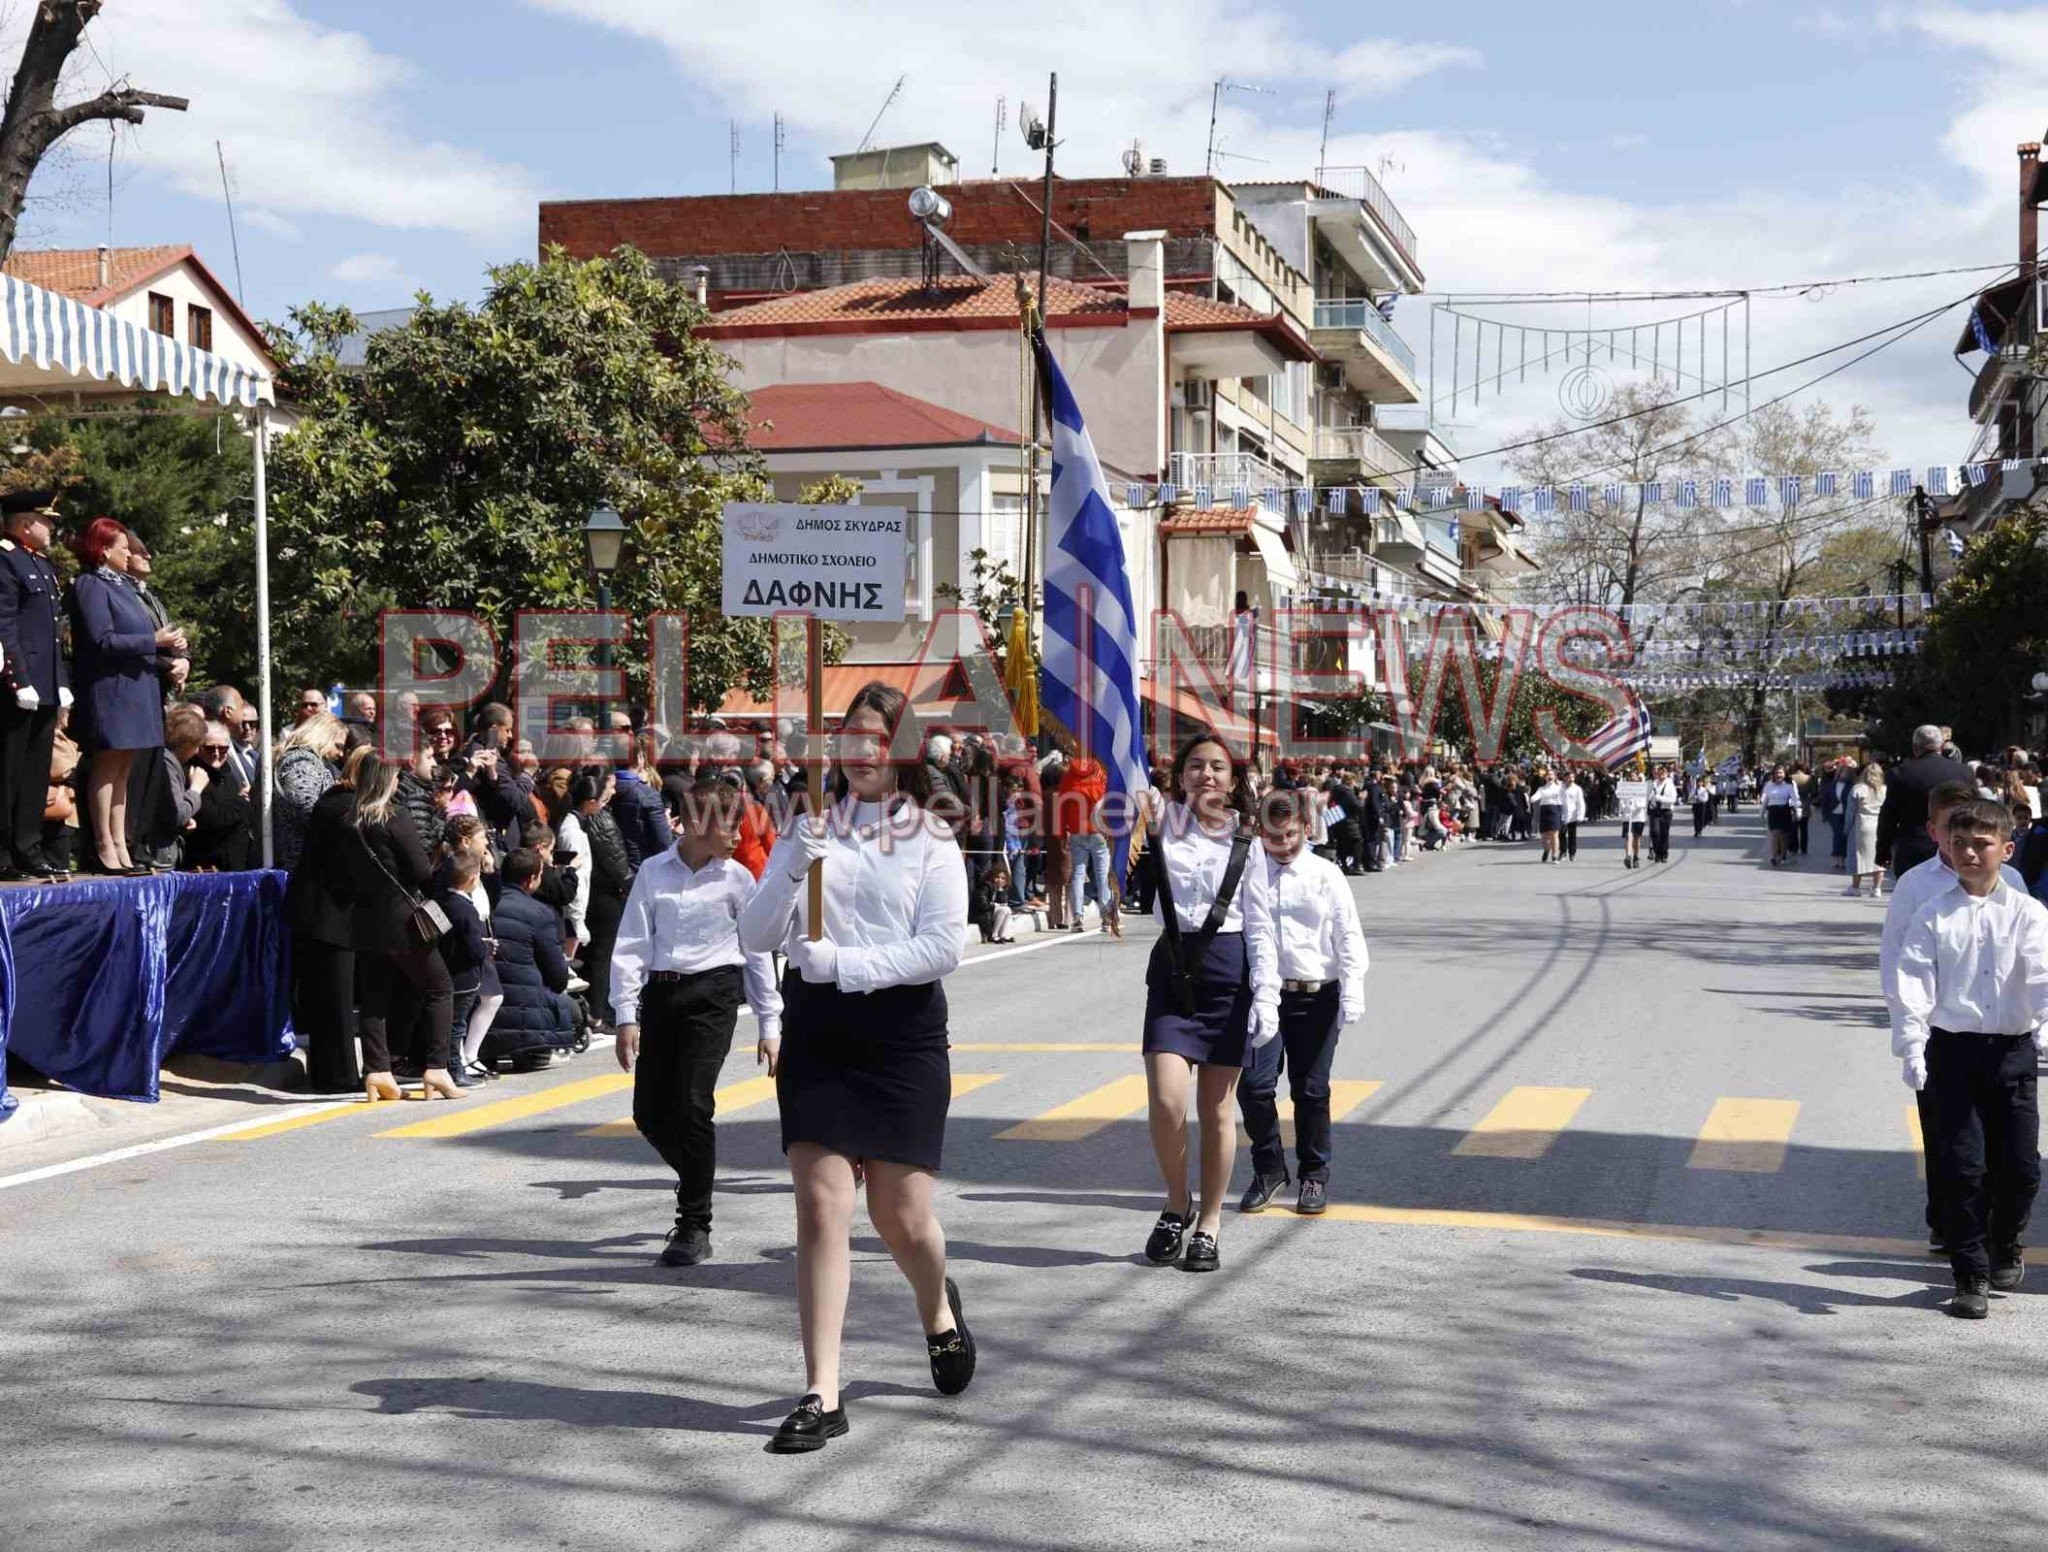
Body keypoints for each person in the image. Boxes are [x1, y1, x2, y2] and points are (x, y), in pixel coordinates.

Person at [737, 681, 974, 1453]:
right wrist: (787, 871)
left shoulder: (930, 836)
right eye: (849, 736)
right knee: (820, 1207)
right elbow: (757, 933)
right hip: (820, 1034)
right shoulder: (808, 827)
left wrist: (845, 963)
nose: (861, 751)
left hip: (901, 1036)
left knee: (900, 1219)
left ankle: (937, 1308)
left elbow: (943, 948)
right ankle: (822, 1391)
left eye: (877, 737)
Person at [610, 775, 783, 1269]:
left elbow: (757, 954)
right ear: (697, 825)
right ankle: (698, 1179)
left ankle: (693, 1224)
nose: (737, 837)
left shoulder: (738, 878)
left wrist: (770, 1024)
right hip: (662, 994)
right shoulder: (653, 872)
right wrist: (626, 1015)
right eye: (729, 827)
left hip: (714, 995)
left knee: (692, 1104)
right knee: (649, 1114)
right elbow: (632, 943)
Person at [1894, 799, 2048, 1320]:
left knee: (2021, 1168)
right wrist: (1912, 1044)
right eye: (1958, 842)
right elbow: (1914, 981)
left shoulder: (2028, 913)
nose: (1967, 852)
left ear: (2006, 850)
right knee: (1964, 1169)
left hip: (2012, 1052)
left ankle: (2005, 1242)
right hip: (1953, 1052)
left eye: (1980, 844)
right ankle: (1970, 1274)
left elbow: (2043, 976)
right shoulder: (1932, 914)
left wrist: (2046, 1029)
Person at [1136, 734, 1279, 1275]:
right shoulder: (1160, 824)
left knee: (1216, 1109)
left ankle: (1210, 1223)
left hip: (1228, 975)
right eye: (1195, 765)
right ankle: (1178, 1201)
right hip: (1173, 972)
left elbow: (1262, 925)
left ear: (1234, 779)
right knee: (1166, 1101)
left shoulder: (1249, 841)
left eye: (1218, 767)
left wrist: (1266, 994)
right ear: (1182, 776)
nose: (1207, 775)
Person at [1878, 780, 2027, 1256]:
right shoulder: (1917, 886)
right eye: (1950, 832)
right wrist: (1908, 1029)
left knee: (2005, 1150)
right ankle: (1948, 1222)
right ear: (1933, 830)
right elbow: (1897, 959)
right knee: (1948, 1143)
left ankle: (1990, 1231)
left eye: (1974, 834)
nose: (1961, 843)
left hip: (2001, 1034)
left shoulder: (2013, 886)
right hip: (1942, 1031)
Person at [1235, 792, 1367, 1217]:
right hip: (1266, 997)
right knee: (1254, 1087)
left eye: (1291, 834)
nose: (1285, 844)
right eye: (1275, 837)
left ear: (1305, 829)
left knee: (1310, 1091)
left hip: (1318, 997)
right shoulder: (1251, 876)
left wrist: (1352, 988)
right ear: (1261, 833)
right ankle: (1270, 1167)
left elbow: (1347, 933)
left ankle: (1315, 1173)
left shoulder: (1326, 874)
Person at [339, 752, 462, 1103]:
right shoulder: (396, 816)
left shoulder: (348, 821)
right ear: (385, 780)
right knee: (440, 988)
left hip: (364, 920)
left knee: (374, 998)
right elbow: (422, 871)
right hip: (403, 920)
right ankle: (437, 1068)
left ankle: (377, 1072)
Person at [67, 519, 184, 875]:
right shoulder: (90, 585)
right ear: (103, 550)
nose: (129, 553)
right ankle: (104, 843)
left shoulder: (126, 588)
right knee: (106, 766)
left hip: (137, 688)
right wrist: (155, 641)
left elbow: (139, 635)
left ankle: (121, 841)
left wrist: (169, 652)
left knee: (123, 770)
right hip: (111, 690)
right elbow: (102, 639)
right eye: (123, 548)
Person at [284, 746, 369, 1092]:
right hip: (330, 913)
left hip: (318, 910)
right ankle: (339, 1077)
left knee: (327, 997)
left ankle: (329, 1074)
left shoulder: (332, 801)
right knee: (335, 996)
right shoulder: (346, 807)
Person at [0, 491, 73, 882]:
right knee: (8, 772)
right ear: (26, 523)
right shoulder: (6, 560)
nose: (52, 528)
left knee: (34, 774)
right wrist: (18, 680)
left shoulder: (42, 565)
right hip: (18, 687)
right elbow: (5, 624)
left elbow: (53, 635)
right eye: (47, 520)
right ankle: (3, 852)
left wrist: (60, 682)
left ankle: (28, 848)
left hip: (44, 685)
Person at [489, 846, 579, 1068]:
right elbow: (557, 976)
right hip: (526, 1014)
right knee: (573, 1010)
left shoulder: (485, 904)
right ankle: (536, 1051)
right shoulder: (539, 913)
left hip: (484, 1009)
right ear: (531, 880)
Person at [1877, 725, 1972, 881]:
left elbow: (1889, 815)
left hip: (1913, 849)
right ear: (1941, 746)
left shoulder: (1900, 774)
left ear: (1915, 748)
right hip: (1955, 847)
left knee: (1914, 900)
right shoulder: (1963, 773)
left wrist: (1883, 851)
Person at [273, 712, 346, 871]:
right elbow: (306, 807)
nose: (340, 754)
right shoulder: (301, 761)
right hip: (297, 860)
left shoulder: (307, 761)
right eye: (338, 746)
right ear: (323, 737)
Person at [181, 719, 255, 871]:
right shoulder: (193, 774)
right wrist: (242, 802)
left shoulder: (228, 773)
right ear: (199, 748)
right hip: (206, 868)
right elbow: (213, 818)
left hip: (236, 864)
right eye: (210, 749)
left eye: (222, 749)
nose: (216, 754)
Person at [1057, 753, 1113, 935]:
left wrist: (1061, 831)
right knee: (1102, 875)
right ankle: (1106, 917)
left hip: (1075, 830)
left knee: (1078, 874)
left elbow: (1061, 806)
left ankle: (1078, 918)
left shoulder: (1068, 777)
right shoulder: (1100, 775)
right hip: (1098, 830)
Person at [1846, 762, 1886, 898]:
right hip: (1879, 824)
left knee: (1858, 856)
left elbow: (1850, 811)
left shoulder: (1858, 789)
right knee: (1878, 857)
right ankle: (1877, 888)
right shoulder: (1884, 790)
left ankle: (1855, 887)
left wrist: (1847, 828)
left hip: (1861, 824)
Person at [1761, 764, 1802, 868]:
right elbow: (1765, 798)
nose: (1779, 775)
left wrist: (1797, 810)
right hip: (1773, 810)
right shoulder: (1769, 785)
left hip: (1784, 810)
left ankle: (1783, 855)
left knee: (1783, 836)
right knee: (1775, 834)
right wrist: (1762, 810)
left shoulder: (1789, 785)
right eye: (1777, 773)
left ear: (1784, 774)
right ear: (1774, 774)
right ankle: (1774, 856)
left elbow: (1794, 798)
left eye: (1781, 773)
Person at [1616, 765, 1647, 869]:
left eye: (1634, 776)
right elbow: (1621, 801)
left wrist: (1636, 806)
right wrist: (1625, 807)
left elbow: (1643, 803)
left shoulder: (1642, 787)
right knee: (1628, 837)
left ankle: (1636, 857)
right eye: (1631, 776)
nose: (1632, 778)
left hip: (1638, 816)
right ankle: (1628, 856)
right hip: (1628, 816)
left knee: (1636, 839)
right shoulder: (1625, 787)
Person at [1532, 768, 1565, 862]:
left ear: (1555, 777)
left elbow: (1564, 800)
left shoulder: (1559, 788)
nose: (1549, 776)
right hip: (1544, 810)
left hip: (1555, 810)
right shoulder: (1541, 789)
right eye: (1548, 775)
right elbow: (1537, 795)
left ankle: (1554, 855)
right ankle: (1546, 850)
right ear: (1545, 777)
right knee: (1544, 836)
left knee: (1554, 834)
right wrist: (1532, 798)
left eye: (1551, 775)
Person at [1647, 764, 1678, 864]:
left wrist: (1660, 798)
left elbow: (1673, 799)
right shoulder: (1653, 784)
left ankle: (1664, 853)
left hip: (1666, 811)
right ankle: (1657, 852)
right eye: (1659, 773)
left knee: (1664, 834)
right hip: (1655, 811)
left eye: (1663, 773)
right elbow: (1647, 797)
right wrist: (1651, 797)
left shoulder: (1670, 785)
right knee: (1655, 833)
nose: (1661, 775)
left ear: (1667, 774)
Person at [1561, 767, 1586, 861]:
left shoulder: (1577, 789)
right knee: (1561, 834)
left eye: (1572, 777)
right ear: (1565, 778)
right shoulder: (1560, 788)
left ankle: (1572, 853)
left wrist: (1581, 815)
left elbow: (1581, 803)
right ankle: (1563, 852)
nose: (1571, 779)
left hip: (1573, 815)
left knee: (1572, 835)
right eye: (1569, 777)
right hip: (1562, 815)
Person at [1691, 772, 1715, 839]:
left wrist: (1699, 798)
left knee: (1701, 818)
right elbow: (1690, 797)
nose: (1698, 784)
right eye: (1697, 782)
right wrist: (1693, 798)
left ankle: (1700, 830)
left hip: (1702, 805)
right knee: (1695, 819)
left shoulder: (1704, 790)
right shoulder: (1694, 789)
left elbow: (1706, 799)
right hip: (1695, 805)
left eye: (1700, 782)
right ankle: (1696, 831)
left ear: (1702, 783)